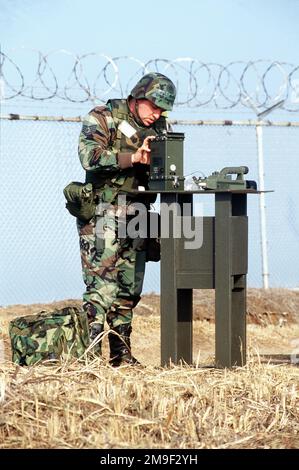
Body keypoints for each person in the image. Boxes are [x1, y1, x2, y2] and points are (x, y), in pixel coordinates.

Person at [77, 72, 176, 366]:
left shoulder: (159, 127)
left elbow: (167, 167)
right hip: (103, 211)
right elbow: (89, 157)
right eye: (153, 106)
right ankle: (90, 358)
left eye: (162, 110)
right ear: (138, 96)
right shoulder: (103, 117)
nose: (157, 114)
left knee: (129, 289)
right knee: (101, 287)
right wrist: (132, 158)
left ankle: (121, 356)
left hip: (138, 212)